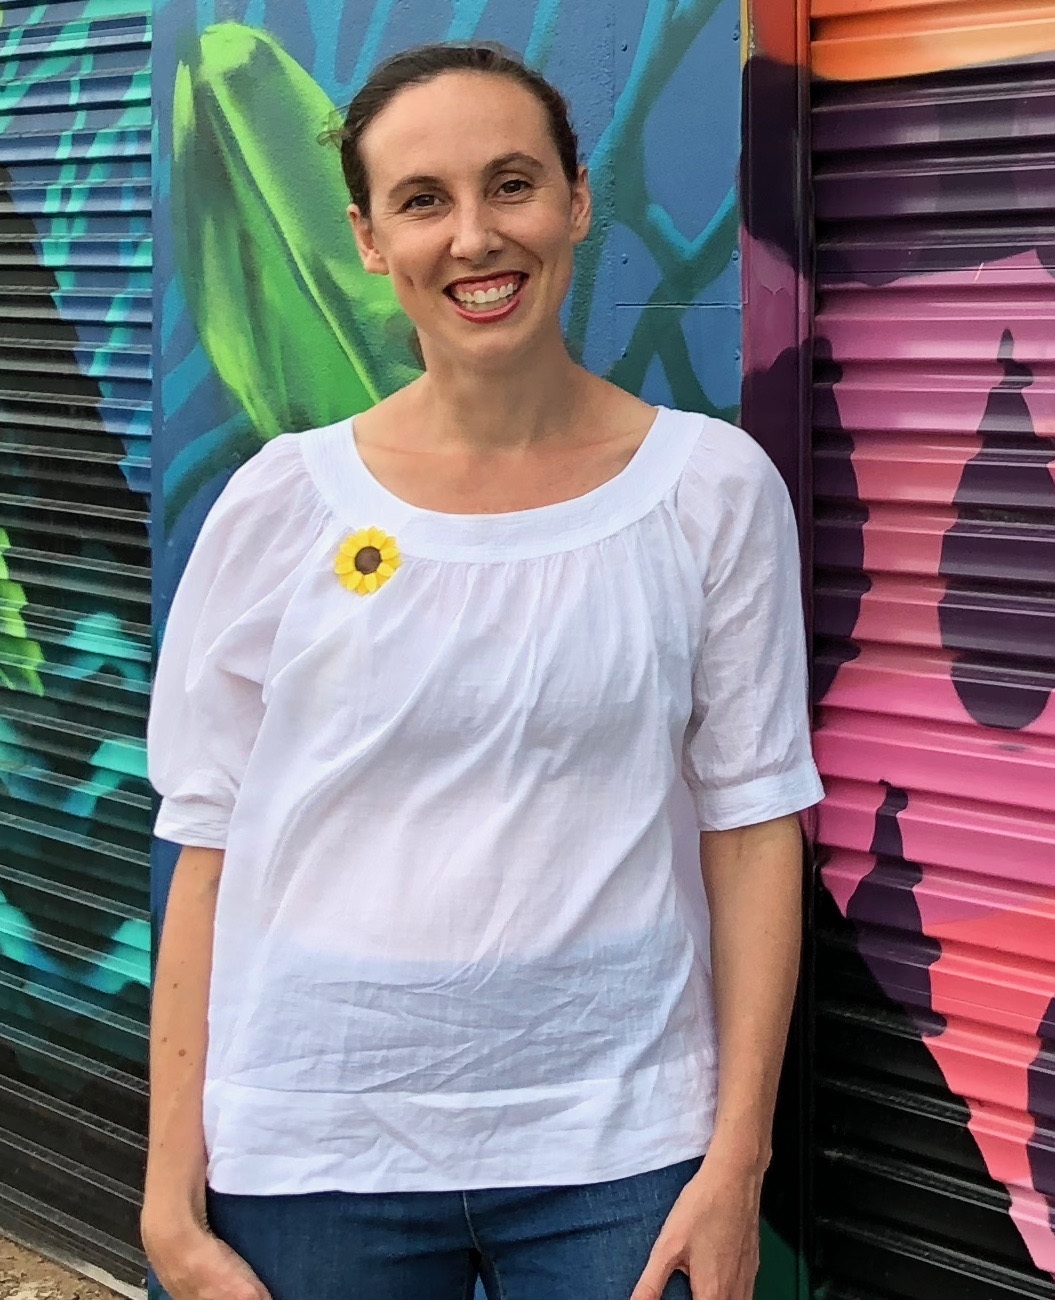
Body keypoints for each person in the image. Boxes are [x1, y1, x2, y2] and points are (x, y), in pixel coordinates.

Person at [141, 42, 821, 1300]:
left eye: (511, 184)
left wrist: (737, 1161)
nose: (473, 238)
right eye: (422, 200)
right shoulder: (278, 506)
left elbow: (754, 825)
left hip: (622, 1154)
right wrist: (168, 1201)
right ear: (366, 238)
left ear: (575, 200)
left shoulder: (711, 492)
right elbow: (207, 837)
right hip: (313, 1145)